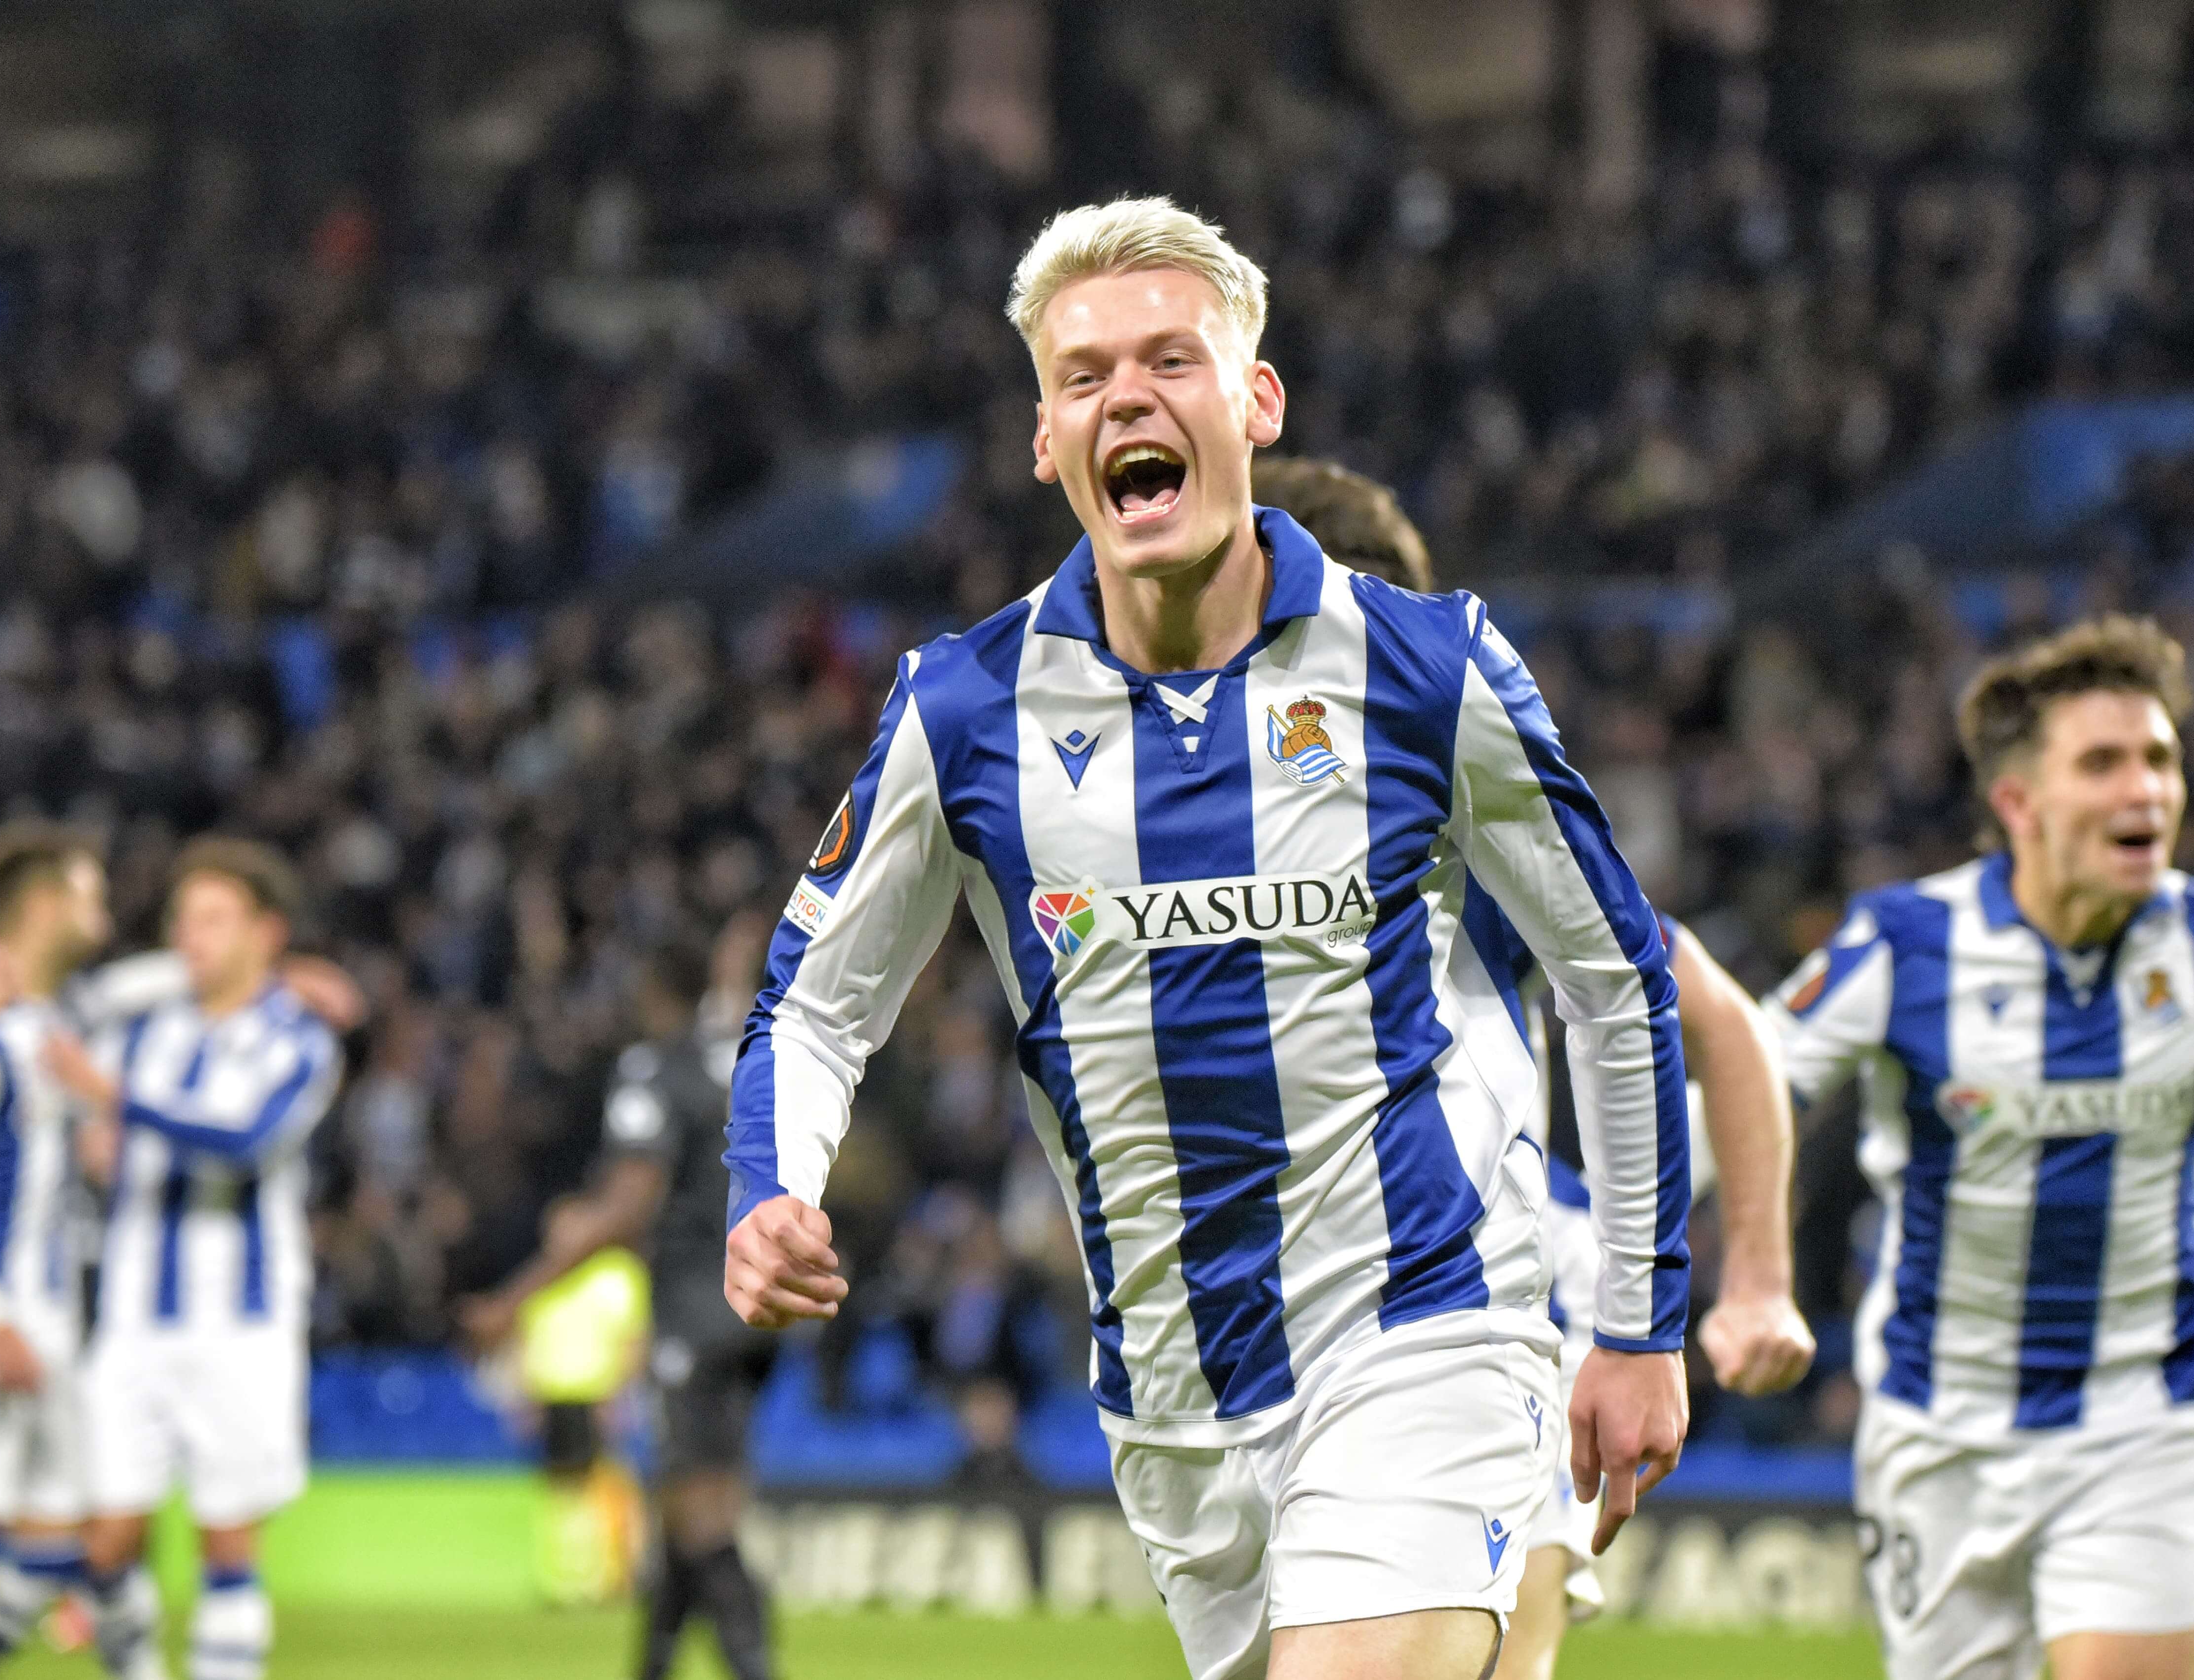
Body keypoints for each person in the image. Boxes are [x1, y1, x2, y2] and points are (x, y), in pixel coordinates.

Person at [722, 197, 1692, 1680]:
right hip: (1171, 1396)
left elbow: (1618, 980)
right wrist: (772, 1184)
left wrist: (1638, 1317)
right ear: (1048, 438)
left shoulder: (1428, 667)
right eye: (1084, 374)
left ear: (1255, 400)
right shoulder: (962, 709)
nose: (1128, 396)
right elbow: (816, 1005)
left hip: (1422, 1326)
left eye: (1170, 358)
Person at [1767, 615, 2194, 1680]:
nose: (2146, 789)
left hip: (2144, 1423)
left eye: (2159, 759)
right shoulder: (1903, 947)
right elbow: (1738, 1091)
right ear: (2018, 803)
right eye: (2103, 763)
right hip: (1938, 1431)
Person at [1252, 455, 1813, 1677]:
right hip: (1274, 1338)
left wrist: (1754, 1278)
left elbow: (1704, 1010)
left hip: (1486, 1314)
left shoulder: (1445, 813)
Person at [46, 838, 344, 1680]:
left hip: (241, 1328)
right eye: (183, 919)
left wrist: (117, 1104)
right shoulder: (146, 1028)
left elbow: (245, 1138)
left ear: (268, 930)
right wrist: (95, 1126)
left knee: (228, 1539)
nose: (192, 937)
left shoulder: (298, 1038)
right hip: (133, 1322)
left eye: (216, 918)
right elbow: (69, 1012)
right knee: (102, 1540)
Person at [461, 942, 775, 1680]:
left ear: (651, 989)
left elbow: (628, 1208)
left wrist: (513, 1297)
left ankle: (760, 1669)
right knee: (690, 1509)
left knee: (700, 1521)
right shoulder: (739, 1063)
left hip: (692, 1313)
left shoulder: (653, 1069)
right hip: (753, 1307)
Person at [0, 824, 111, 1678]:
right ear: (45, 906)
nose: (105, 912)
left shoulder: (50, 1020)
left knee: (75, 1533)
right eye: (90, 894)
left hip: (46, 1319)